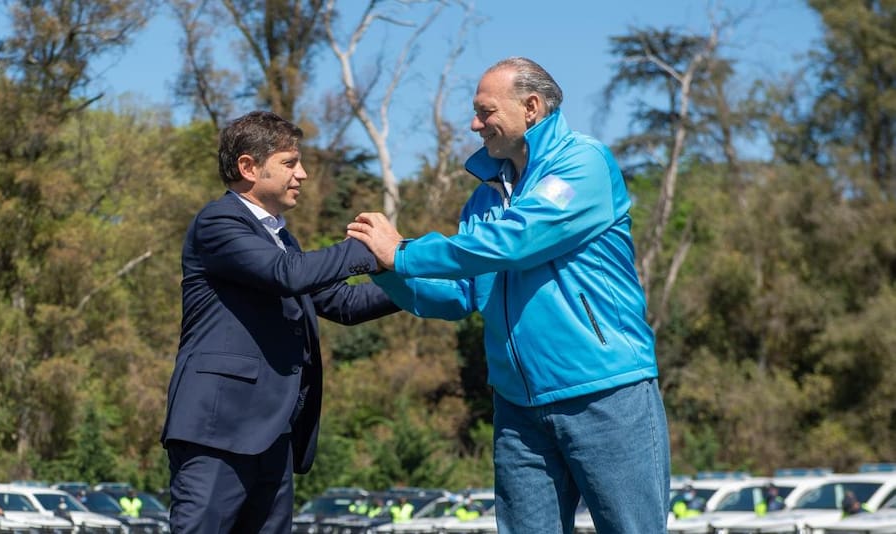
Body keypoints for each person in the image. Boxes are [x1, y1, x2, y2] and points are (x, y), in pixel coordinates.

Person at [346, 57, 671, 533]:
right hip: (518, 407)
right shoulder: (483, 199)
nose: (475, 124)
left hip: (606, 393)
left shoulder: (584, 163)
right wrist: (385, 269)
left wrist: (404, 253)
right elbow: (459, 295)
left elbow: (517, 240)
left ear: (532, 107)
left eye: (485, 111)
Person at [161, 110, 400, 533]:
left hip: (274, 433)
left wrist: (421, 280)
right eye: (290, 163)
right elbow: (286, 275)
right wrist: (370, 247)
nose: (303, 174)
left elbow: (344, 304)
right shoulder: (219, 222)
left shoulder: (283, 239)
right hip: (218, 430)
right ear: (248, 167)